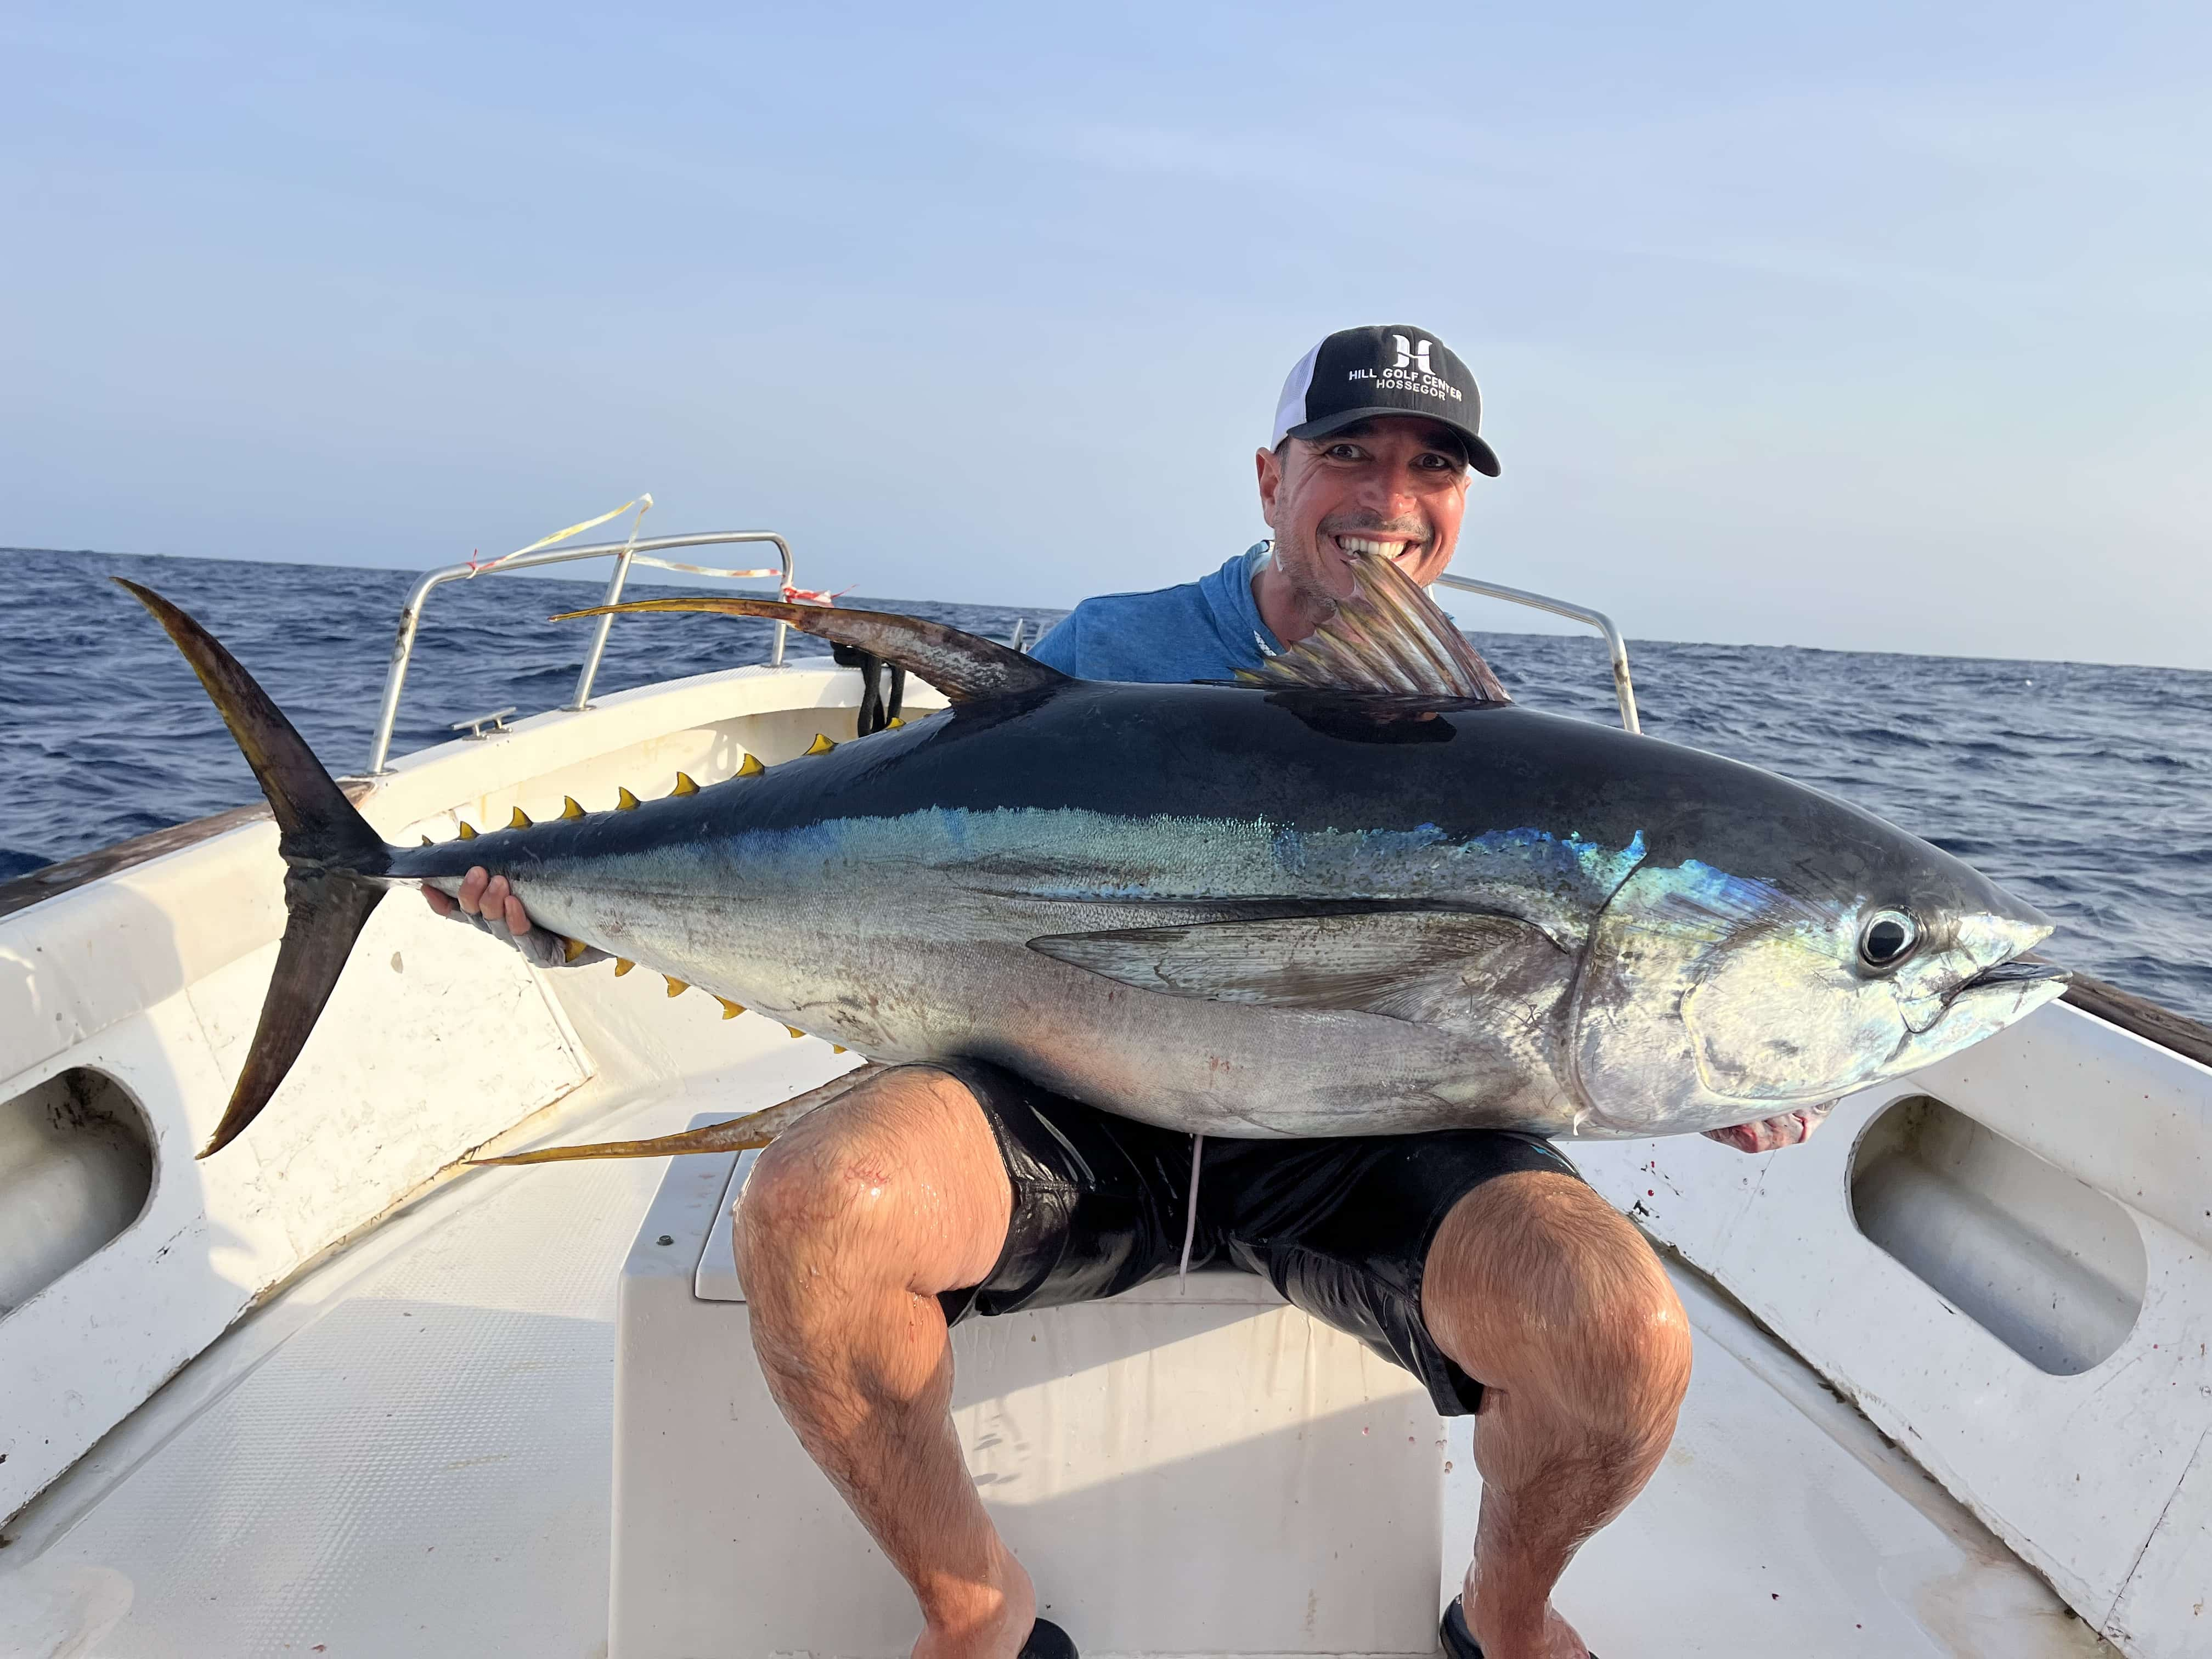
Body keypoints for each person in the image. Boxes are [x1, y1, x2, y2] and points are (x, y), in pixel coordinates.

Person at [425, 325, 1809, 1659]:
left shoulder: (1484, 733)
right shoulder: (1110, 651)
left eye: (1433, 468)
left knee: (1622, 1336)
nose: (1391, 498)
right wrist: (567, 910)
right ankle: (976, 1607)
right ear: (1271, 475)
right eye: (1350, 453)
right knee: (814, 1211)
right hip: (1071, 1109)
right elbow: (887, 877)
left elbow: (1538, 1017)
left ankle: (1505, 1611)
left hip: (1360, 1150)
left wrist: (1706, 1062)